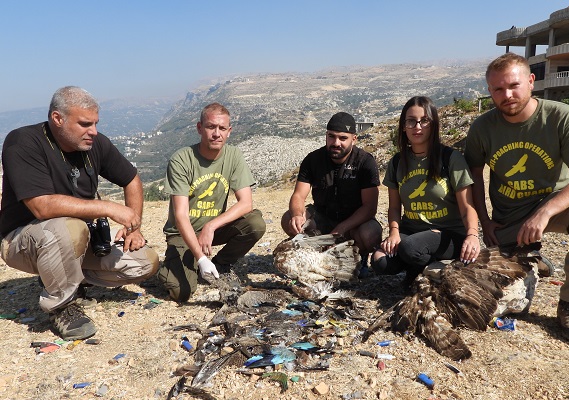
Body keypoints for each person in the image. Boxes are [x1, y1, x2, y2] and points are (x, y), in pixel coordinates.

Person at [0, 86, 159, 340]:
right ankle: (61, 306)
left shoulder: (95, 144)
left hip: (77, 241)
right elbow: (42, 206)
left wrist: (134, 229)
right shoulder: (23, 142)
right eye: (85, 124)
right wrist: (107, 207)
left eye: (95, 123)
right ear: (57, 119)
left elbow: (131, 179)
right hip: (21, 241)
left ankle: (70, 277)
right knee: (68, 228)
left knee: (144, 262)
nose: (93, 131)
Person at [464, 52, 569, 342]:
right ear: (490, 91)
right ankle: (532, 257)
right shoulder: (483, 128)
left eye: (514, 85)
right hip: (508, 218)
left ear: (531, 81)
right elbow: (473, 179)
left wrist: (545, 212)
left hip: (556, 204)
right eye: (498, 89)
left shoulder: (562, 117)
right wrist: (484, 224)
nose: (507, 95)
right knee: (494, 273)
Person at [158, 102, 266, 302]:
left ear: (229, 131)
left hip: (212, 231)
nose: (217, 133)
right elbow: (181, 216)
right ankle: (168, 267)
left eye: (222, 128)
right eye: (211, 127)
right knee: (181, 292)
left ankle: (222, 264)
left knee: (255, 224)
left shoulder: (233, 156)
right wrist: (200, 258)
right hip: (183, 234)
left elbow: (246, 203)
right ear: (200, 128)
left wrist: (211, 226)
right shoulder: (181, 160)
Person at [371, 96, 480, 284]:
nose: (417, 127)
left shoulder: (450, 158)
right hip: (411, 231)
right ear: (403, 126)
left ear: (433, 124)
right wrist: (394, 233)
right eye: (411, 121)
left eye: (424, 121)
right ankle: (424, 268)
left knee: (410, 248)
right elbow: (395, 207)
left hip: (447, 234)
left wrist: (472, 235)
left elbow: (467, 206)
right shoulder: (397, 162)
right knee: (380, 261)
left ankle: (428, 271)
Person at [281, 112, 382, 276]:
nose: (336, 143)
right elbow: (299, 195)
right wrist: (297, 214)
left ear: (353, 139)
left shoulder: (365, 162)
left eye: (343, 138)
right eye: (331, 136)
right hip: (322, 218)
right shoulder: (313, 159)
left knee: (371, 233)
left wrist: (342, 228)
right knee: (288, 219)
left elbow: (370, 207)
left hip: (353, 223)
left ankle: (359, 258)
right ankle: (318, 255)